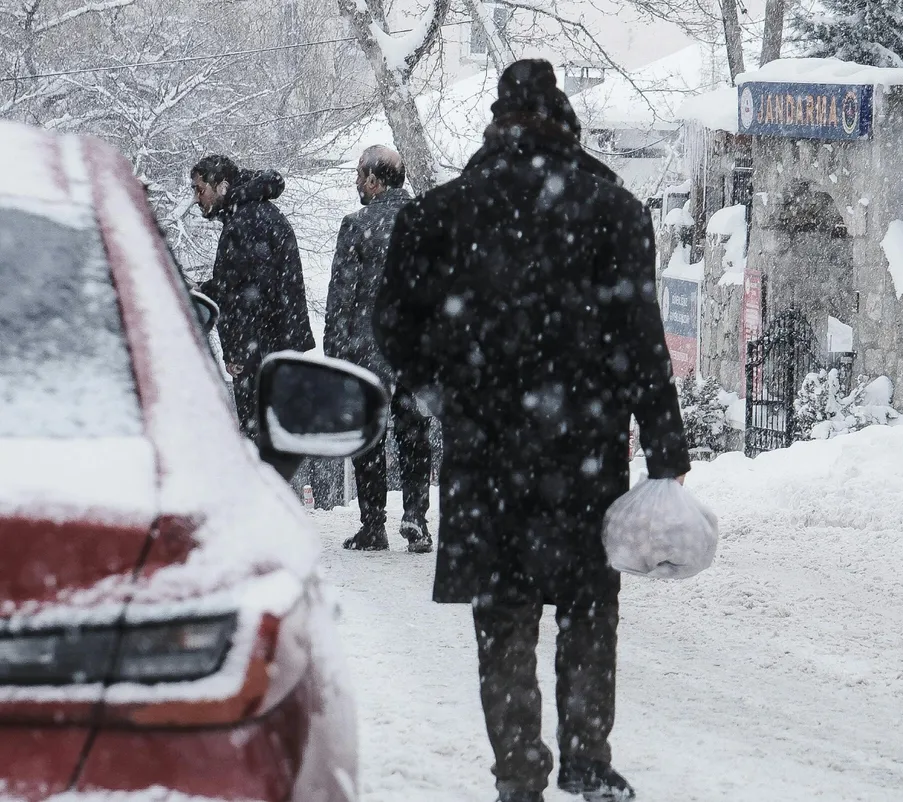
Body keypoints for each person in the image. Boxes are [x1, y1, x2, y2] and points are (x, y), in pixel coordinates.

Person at [374, 60, 690, 802]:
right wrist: (665, 447)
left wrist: (436, 386)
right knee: (588, 607)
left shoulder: (443, 213)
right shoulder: (613, 210)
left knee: (504, 617)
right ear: (566, 122)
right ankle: (587, 758)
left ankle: (519, 773)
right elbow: (642, 337)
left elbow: (391, 320)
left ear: (497, 121)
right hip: (584, 446)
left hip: (486, 449)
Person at [324, 145, 434, 553]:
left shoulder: (357, 225)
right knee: (414, 432)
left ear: (373, 180)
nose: (356, 181)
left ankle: (373, 525)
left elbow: (342, 295)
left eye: (359, 174)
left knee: (370, 433)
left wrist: (335, 352)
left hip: (369, 346)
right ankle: (416, 517)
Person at [192, 155, 315, 435]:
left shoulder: (245, 221)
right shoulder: (255, 213)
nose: (197, 199)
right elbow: (241, 281)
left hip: (261, 352)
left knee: (259, 437)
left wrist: (237, 351)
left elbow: (246, 295)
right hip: (275, 348)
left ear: (222, 186)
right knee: (274, 435)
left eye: (200, 189)